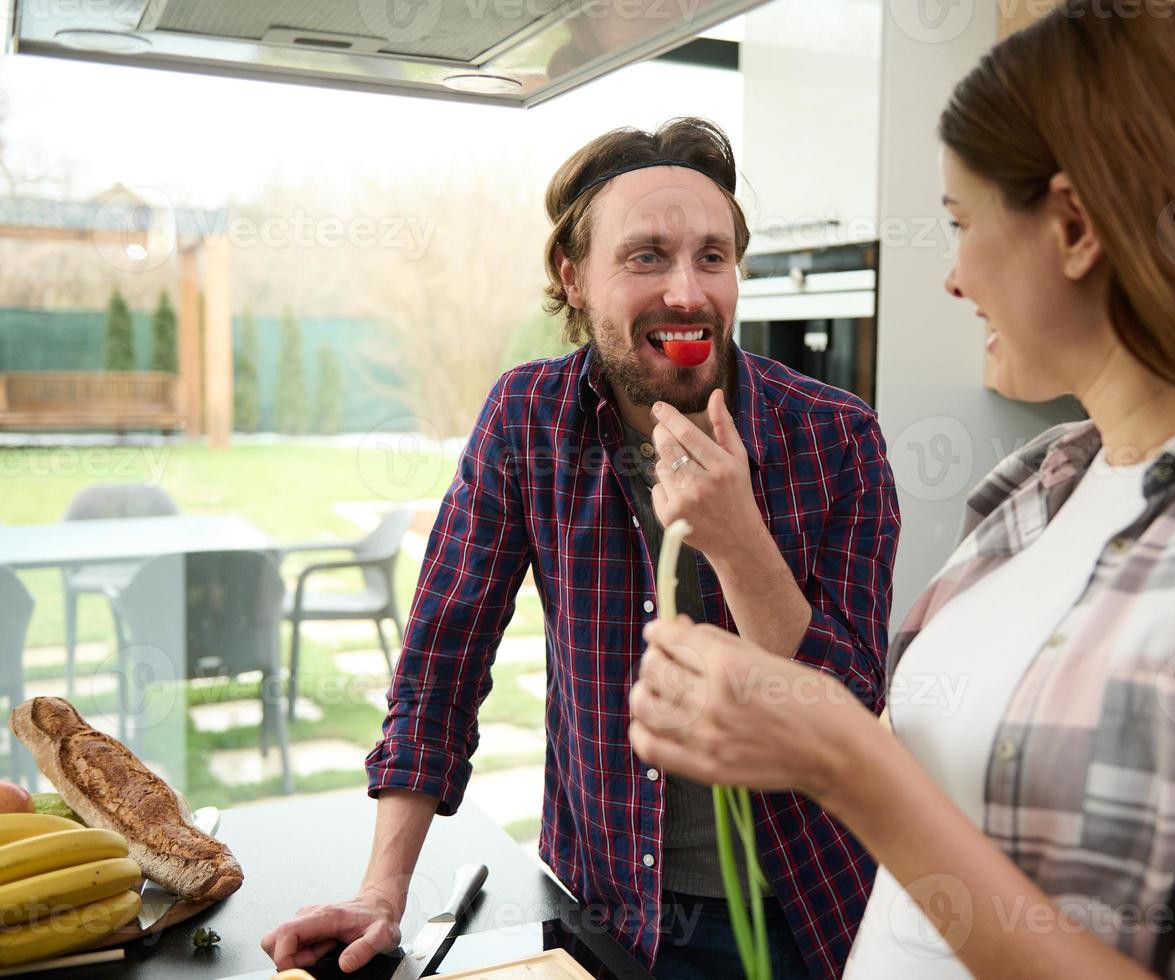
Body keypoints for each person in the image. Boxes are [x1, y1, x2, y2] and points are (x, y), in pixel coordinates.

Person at [629, 5, 1175, 978]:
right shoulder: (1042, 482)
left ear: (1072, 225)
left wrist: (841, 760)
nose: (950, 276)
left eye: (961, 223)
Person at [260, 118, 901, 979]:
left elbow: (848, 709)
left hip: (805, 915)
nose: (687, 291)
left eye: (712, 256)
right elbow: (440, 666)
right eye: (646, 257)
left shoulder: (836, 436)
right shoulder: (527, 420)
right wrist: (383, 890)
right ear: (573, 275)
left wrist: (737, 539)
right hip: (602, 912)